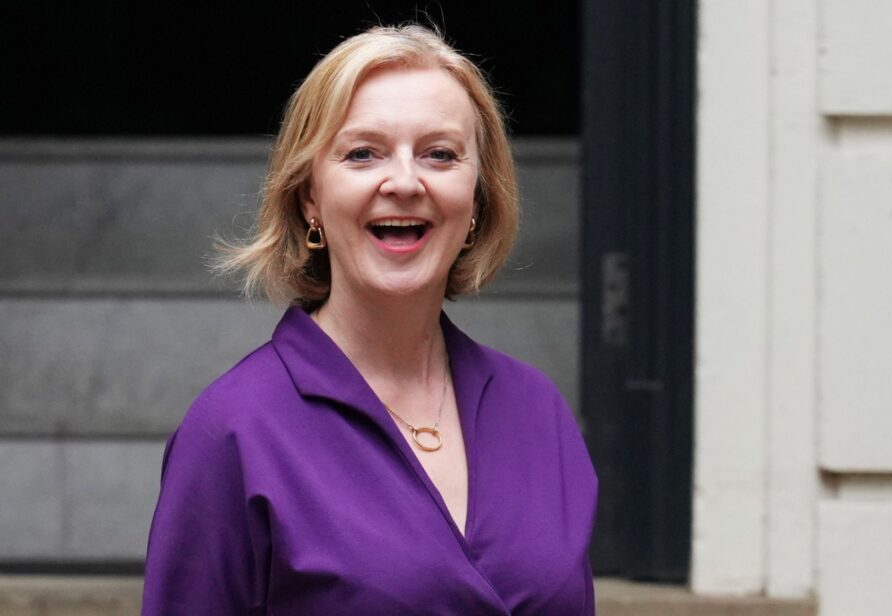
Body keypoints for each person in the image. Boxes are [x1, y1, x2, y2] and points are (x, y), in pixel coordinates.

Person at [141, 25, 597, 615]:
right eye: (363, 153)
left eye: (440, 154)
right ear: (310, 198)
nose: (405, 182)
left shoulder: (537, 410)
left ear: (478, 199)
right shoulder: (232, 432)